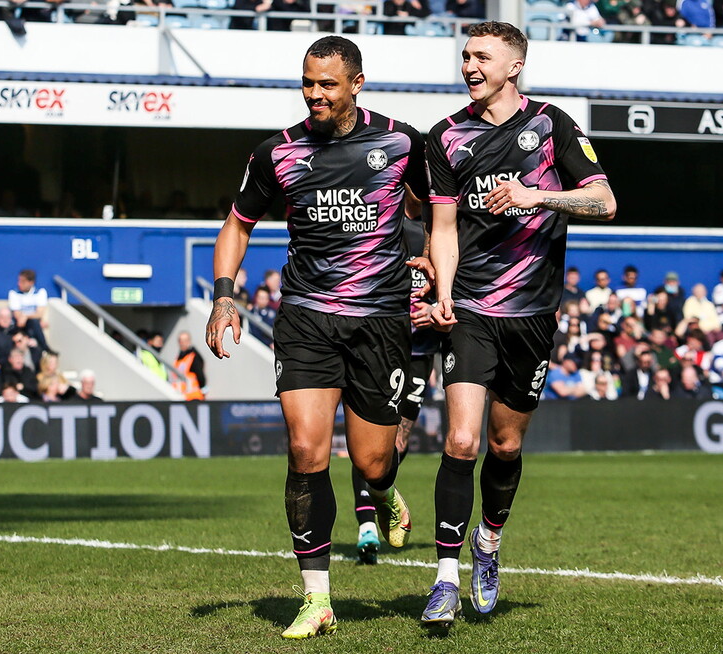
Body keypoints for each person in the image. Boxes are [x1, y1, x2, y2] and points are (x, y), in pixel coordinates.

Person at [205, 35, 429, 640]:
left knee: (372, 460)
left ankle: (384, 491)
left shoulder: (402, 142)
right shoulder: (276, 152)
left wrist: (435, 262)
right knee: (306, 450)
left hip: (380, 321)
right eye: (307, 82)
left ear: (357, 83)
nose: (314, 94)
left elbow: (433, 210)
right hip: (306, 317)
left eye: (327, 84)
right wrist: (224, 297)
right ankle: (317, 598)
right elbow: (237, 226)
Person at [426, 21, 615, 627]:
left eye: (482, 56)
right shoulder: (445, 136)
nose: (469, 66)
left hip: (532, 314)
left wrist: (539, 197)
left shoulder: (552, 124)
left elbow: (605, 201)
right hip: (471, 309)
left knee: (505, 444)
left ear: (514, 66)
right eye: (465, 56)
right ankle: (445, 578)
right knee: (461, 441)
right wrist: (443, 294)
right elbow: (444, 228)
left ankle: (488, 542)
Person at [351, 216, 442, 565]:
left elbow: (462, 286)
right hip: (382, 347)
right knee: (371, 437)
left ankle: (381, 498)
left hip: (421, 351)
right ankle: (366, 526)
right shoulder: (383, 225)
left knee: (398, 442)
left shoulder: (447, 228)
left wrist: (436, 308)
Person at [8, 269, 51, 352]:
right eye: (19, 280)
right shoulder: (14, 293)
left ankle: (42, 347)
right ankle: (45, 347)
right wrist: (26, 317)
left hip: (33, 324)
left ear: (31, 282)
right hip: (19, 325)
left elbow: (39, 313)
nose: (19, 284)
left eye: (23, 281)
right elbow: (17, 315)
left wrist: (26, 316)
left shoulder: (40, 292)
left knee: (34, 322)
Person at [172, 331, 207, 401]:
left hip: (193, 397)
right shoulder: (178, 358)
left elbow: (201, 377)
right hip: (181, 396)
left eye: (185, 340)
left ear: (189, 341)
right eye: (180, 341)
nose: (182, 343)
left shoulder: (193, 357)